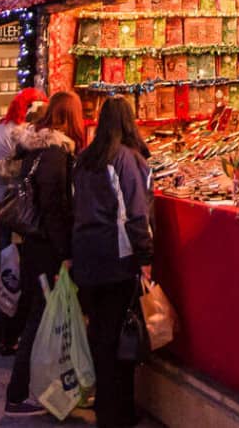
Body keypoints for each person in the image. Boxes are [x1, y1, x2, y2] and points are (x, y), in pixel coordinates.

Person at [71, 96, 154, 428]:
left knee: (101, 336)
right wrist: (145, 255)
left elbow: (73, 207)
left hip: (86, 257)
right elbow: (136, 212)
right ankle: (119, 411)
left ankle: (107, 408)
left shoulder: (83, 160)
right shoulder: (125, 159)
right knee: (122, 336)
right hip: (117, 259)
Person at [2, 92, 83, 417]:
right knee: (41, 318)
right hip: (46, 247)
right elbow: (54, 208)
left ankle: (39, 388)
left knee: (40, 314)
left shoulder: (35, 149)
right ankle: (18, 394)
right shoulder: (54, 154)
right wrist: (65, 252)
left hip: (34, 242)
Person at [0, 86, 46, 354]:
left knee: (0, 269)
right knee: (8, 270)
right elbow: (18, 170)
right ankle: (6, 334)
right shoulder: (16, 134)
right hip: (6, 210)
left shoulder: (2, 130)